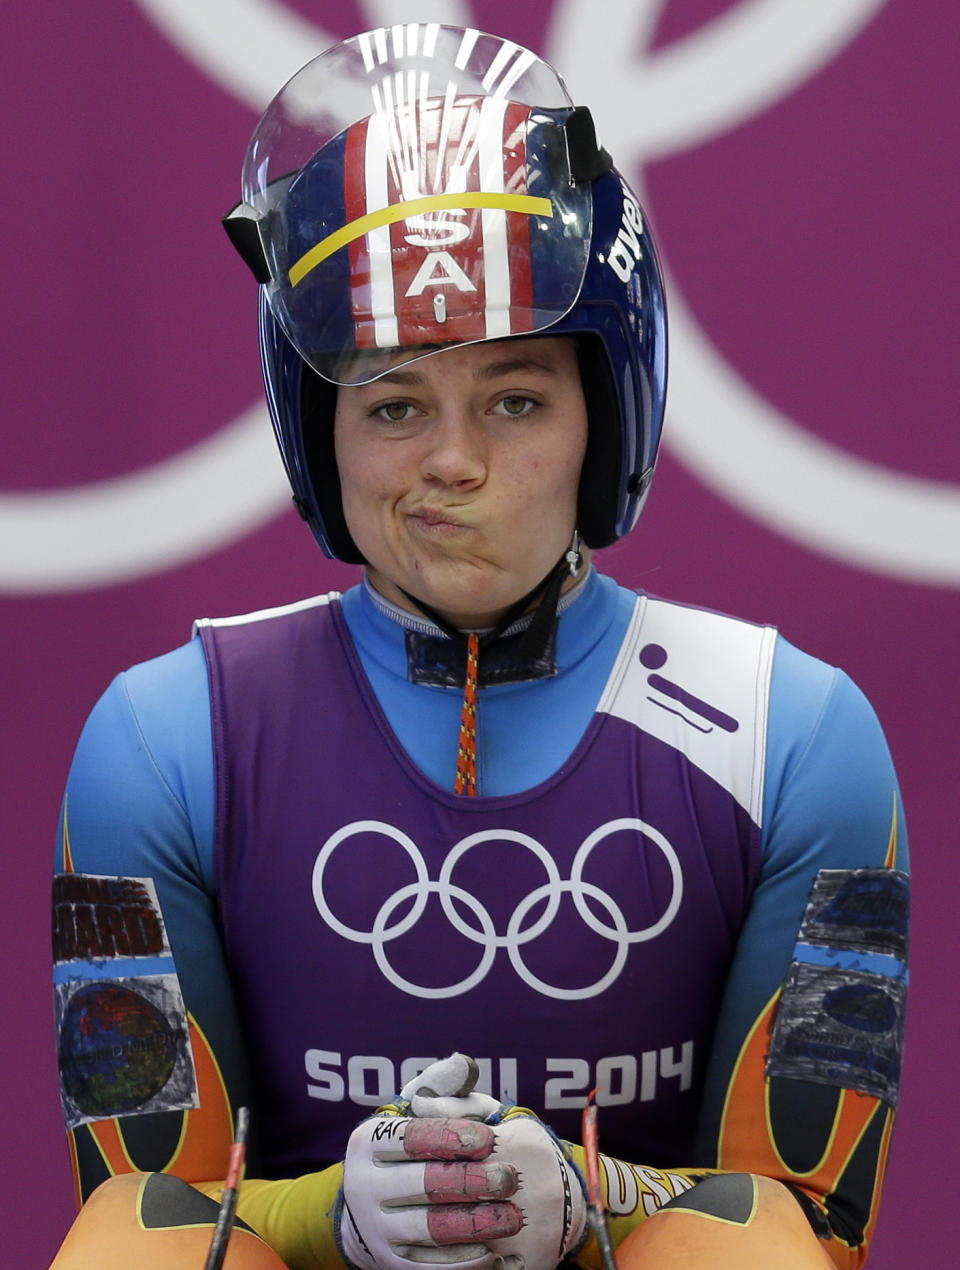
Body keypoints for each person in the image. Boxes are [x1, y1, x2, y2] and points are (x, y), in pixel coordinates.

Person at [49, 23, 909, 1270]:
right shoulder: (162, 741)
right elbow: (147, 1198)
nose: (455, 461)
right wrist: (332, 1212)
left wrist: (586, 1189)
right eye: (395, 402)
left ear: (604, 417)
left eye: (515, 399)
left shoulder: (801, 732)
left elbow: (814, 1224)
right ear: (317, 433)